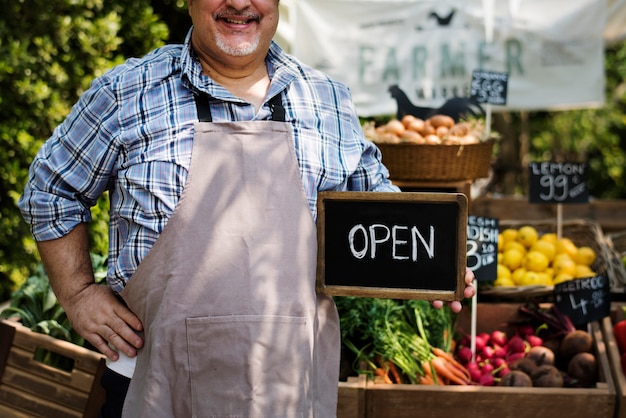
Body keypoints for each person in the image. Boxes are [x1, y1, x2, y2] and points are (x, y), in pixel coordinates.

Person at [18, 0, 476, 416]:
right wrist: (77, 294)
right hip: (154, 386)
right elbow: (50, 189)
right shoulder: (126, 93)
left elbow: (375, 200)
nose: (239, 3)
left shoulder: (326, 100)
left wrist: (431, 259)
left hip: (289, 392)